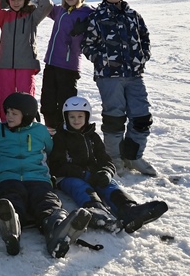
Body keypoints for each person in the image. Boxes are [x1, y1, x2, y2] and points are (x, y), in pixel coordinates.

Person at [0, 92, 92, 257]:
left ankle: (56, 227)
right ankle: (11, 226)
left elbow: (51, 153)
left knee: (45, 200)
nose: (8, 116)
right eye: (7, 112)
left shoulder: (40, 131)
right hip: (8, 177)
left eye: (14, 113)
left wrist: (55, 173)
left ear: (27, 115)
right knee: (12, 198)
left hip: (38, 177)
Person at [49, 96, 168, 233]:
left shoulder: (92, 136)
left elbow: (105, 159)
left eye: (80, 116)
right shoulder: (60, 137)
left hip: (92, 173)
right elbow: (57, 165)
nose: (76, 120)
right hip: (69, 176)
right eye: (72, 117)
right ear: (66, 117)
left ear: (87, 117)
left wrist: (107, 172)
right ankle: (97, 212)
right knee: (81, 186)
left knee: (110, 185)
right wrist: (83, 174)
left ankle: (128, 209)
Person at [82, 0, 157, 177]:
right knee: (114, 117)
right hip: (109, 77)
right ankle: (114, 158)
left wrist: (143, 56)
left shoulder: (134, 16)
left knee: (142, 116)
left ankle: (133, 156)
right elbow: (87, 44)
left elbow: (145, 38)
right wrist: (102, 59)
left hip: (134, 75)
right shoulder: (97, 17)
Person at [0, 0, 53, 123]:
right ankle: (6, 126)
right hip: (5, 64)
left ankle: (26, 126)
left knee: (25, 98)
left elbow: (47, 5)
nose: (16, 2)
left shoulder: (32, 17)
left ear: (26, 0)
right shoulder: (4, 17)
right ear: (8, 1)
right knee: (6, 97)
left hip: (26, 65)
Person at [40, 0, 94, 130]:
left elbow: (103, 17)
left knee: (66, 101)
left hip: (68, 67)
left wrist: (87, 27)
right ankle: (51, 133)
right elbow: (45, 4)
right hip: (51, 64)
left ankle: (67, 135)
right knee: (47, 101)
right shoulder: (59, 11)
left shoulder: (88, 13)